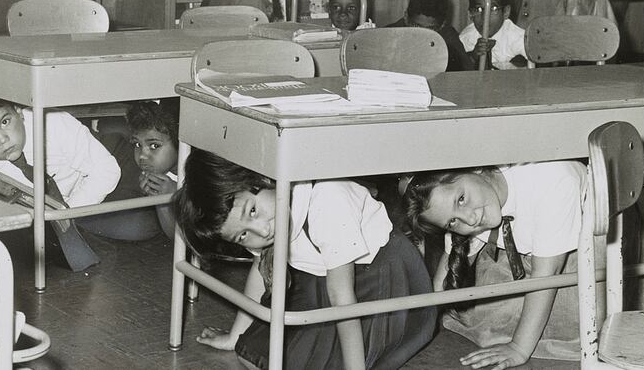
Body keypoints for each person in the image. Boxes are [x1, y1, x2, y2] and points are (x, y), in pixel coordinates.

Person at [173, 148, 436, 370]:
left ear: (261, 178)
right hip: (323, 281)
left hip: (380, 279)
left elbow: (343, 299)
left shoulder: (327, 199)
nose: (262, 231)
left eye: (252, 210)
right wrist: (235, 336)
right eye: (242, 235)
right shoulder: (267, 219)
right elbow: (261, 271)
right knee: (252, 352)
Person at [404, 160, 588, 368]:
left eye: (461, 199)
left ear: (477, 168)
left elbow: (547, 276)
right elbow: (440, 287)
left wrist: (518, 348)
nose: (470, 220)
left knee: (567, 331)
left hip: (581, 258)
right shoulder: (475, 200)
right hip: (527, 260)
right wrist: (411, 336)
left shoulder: (552, 180)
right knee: (475, 318)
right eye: (452, 222)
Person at [0, 92, 159, 270]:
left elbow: (105, 170)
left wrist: (67, 213)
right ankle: (72, 230)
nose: (2, 140)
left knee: (143, 225)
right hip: (62, 202)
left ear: (19, 112)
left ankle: (116, 130)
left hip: (110, 163)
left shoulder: (53, 122)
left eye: (5, 122)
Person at [124, 99, 180, 241]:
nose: (142, 156)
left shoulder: (198, 173)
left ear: (180, 143)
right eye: (137, 144)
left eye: (154, 146)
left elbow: (182, 242)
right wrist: (160, 199)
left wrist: (175, 195)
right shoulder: (154, 173)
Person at [386, 0, 474, 71]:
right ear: (406, 17)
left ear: (442, 24)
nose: (423, 35)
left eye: (431, 29)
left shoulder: (449, 37)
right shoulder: (390, 34)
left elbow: (465, 72)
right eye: (416, 26)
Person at [459, 0, 527, 70]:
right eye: (478, 9)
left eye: (493, 8)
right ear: (470, 14)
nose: (485, 17)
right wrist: (473, 56)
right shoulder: (466, 37)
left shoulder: (518, 37)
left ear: (506, 12)